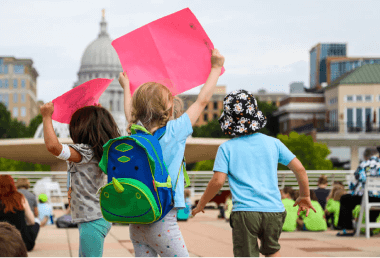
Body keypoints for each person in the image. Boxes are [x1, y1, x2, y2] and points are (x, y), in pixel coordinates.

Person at [119, 48, 224, 258]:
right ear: (167, 108)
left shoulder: (135, 133)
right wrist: (216, 67)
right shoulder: (175, 131)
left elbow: (129, 113)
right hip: (163, 219)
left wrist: (125, 87)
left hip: (137, 220)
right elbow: (202, 101)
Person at [191, 89, 316, 258]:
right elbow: (300, 169)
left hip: (245, 212)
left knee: (246, 255)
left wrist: (202, 204)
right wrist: (305, 195)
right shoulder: (274, 143)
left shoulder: (226, 148)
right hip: (274, 210)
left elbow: (218, 181)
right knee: (272, 251)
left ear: (229, 121)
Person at [40, 102, 121, 257]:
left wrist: (46, 117)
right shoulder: (97, 152)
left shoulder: (85, 152)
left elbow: (53, 147)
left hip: (92, 220)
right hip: (94, 218)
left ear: (82, 128)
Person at [337, 147, 380, 236]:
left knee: (345, 199)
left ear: (365, 156)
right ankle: (371, 226)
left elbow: (355, 181)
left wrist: (352, 190)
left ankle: (348, 229)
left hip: (367, 197)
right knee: (375, 199)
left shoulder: (364, 164)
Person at [0, 175, 40, 251]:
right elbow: (31, 221)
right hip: (22, 245)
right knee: (36, 224)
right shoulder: (20, 198)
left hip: (2, 245)